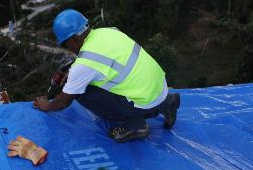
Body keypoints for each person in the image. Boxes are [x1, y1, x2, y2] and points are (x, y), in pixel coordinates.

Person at [33, 9, 180, 143]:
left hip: (145, 99)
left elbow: (62, 102)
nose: (67, 49)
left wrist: (46, 105)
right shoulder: (108, 31)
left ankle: (136, 125)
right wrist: (74, 73)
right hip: (160, 88)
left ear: (73, 40)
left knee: (81, 92)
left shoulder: (86, 63)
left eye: (65, 45)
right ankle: (168, 102)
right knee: (86, 82)